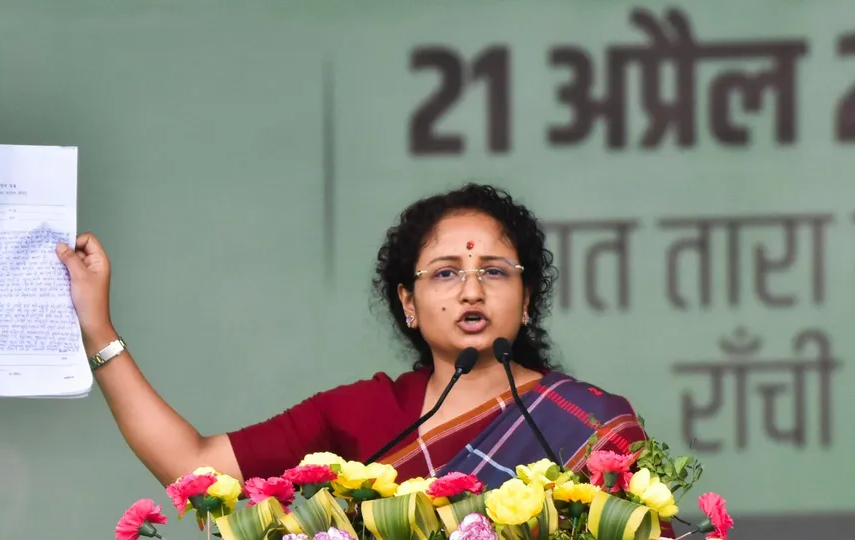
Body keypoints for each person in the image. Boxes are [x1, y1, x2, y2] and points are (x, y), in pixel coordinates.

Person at [56, 183, 652, 494]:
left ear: (526, 301)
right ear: (408, 304)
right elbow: (194, 466)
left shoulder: (586, 422)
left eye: (494, 272)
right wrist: (98, 330)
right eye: (445, 273)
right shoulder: (365, 413)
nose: (471, 292)